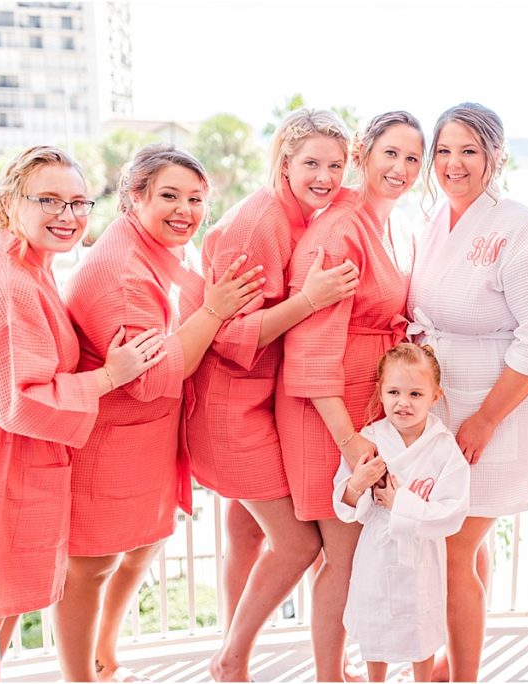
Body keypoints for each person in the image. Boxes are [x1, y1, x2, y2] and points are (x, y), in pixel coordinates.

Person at [0, 146, 163, 682]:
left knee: (4, 608)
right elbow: (21, 400)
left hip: (10, 453)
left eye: (78, 203)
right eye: (49, 200)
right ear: (10, 202)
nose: (67, 216)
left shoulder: (26, 263)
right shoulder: (8, 282)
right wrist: (110, 376)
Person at [55, 145, 264, 682]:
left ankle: (105, 653)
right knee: (92, 566)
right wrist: (217, 310)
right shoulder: (121, 271)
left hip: (148, 439)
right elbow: (150, 376)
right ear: (133, 198)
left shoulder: (164, 250)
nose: (185, 210)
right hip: (110, 439)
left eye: (196, 199)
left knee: (144, 546)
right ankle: (81, 675)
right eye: (169, 196)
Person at [188, 109, 360, 683]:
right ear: (283, 160)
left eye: (336, 165)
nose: (325, 176)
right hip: (229, 407)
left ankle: (234, 650)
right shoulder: (259, 222)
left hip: (254, 400)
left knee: (244, 529)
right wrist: (309, 300)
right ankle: (231, 658)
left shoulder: (300, 216)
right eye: (311, 162)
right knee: (297, 544)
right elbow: (228, 332)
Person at [407, 102, 528, 682]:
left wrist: (484, 420)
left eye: (469, 151)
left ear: (495, 158)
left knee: (452, 548)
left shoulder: (523, 228)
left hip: (496, 410)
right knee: (468, 547)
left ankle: (462, 676)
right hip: (444, 403)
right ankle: (457, 656)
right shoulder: (433, 224)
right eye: (444, 151)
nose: (454, 163)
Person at [278, 110, 424, 681]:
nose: (402, 168)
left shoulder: (395, 225)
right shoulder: (341, 229)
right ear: (364, 152)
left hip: (368, 401)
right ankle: (330, 676)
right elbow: (310, 345)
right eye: (391, 153)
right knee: (342, 553)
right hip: (327, 409)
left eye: (413, 158)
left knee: (360, 550)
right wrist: (349, 439)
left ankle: (365, 670)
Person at [332, 343, 470, 682]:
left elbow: (454, 510)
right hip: (377, 551)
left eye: (415, 393)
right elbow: (347, 506)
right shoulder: (370, 439)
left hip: (422, 552)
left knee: (421, 623)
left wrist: (400, 505)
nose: (402, 402)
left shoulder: (443, 446)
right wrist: (357, 484)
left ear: (434, 396)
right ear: (380, 392)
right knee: (376, 619)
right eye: (393, 391)